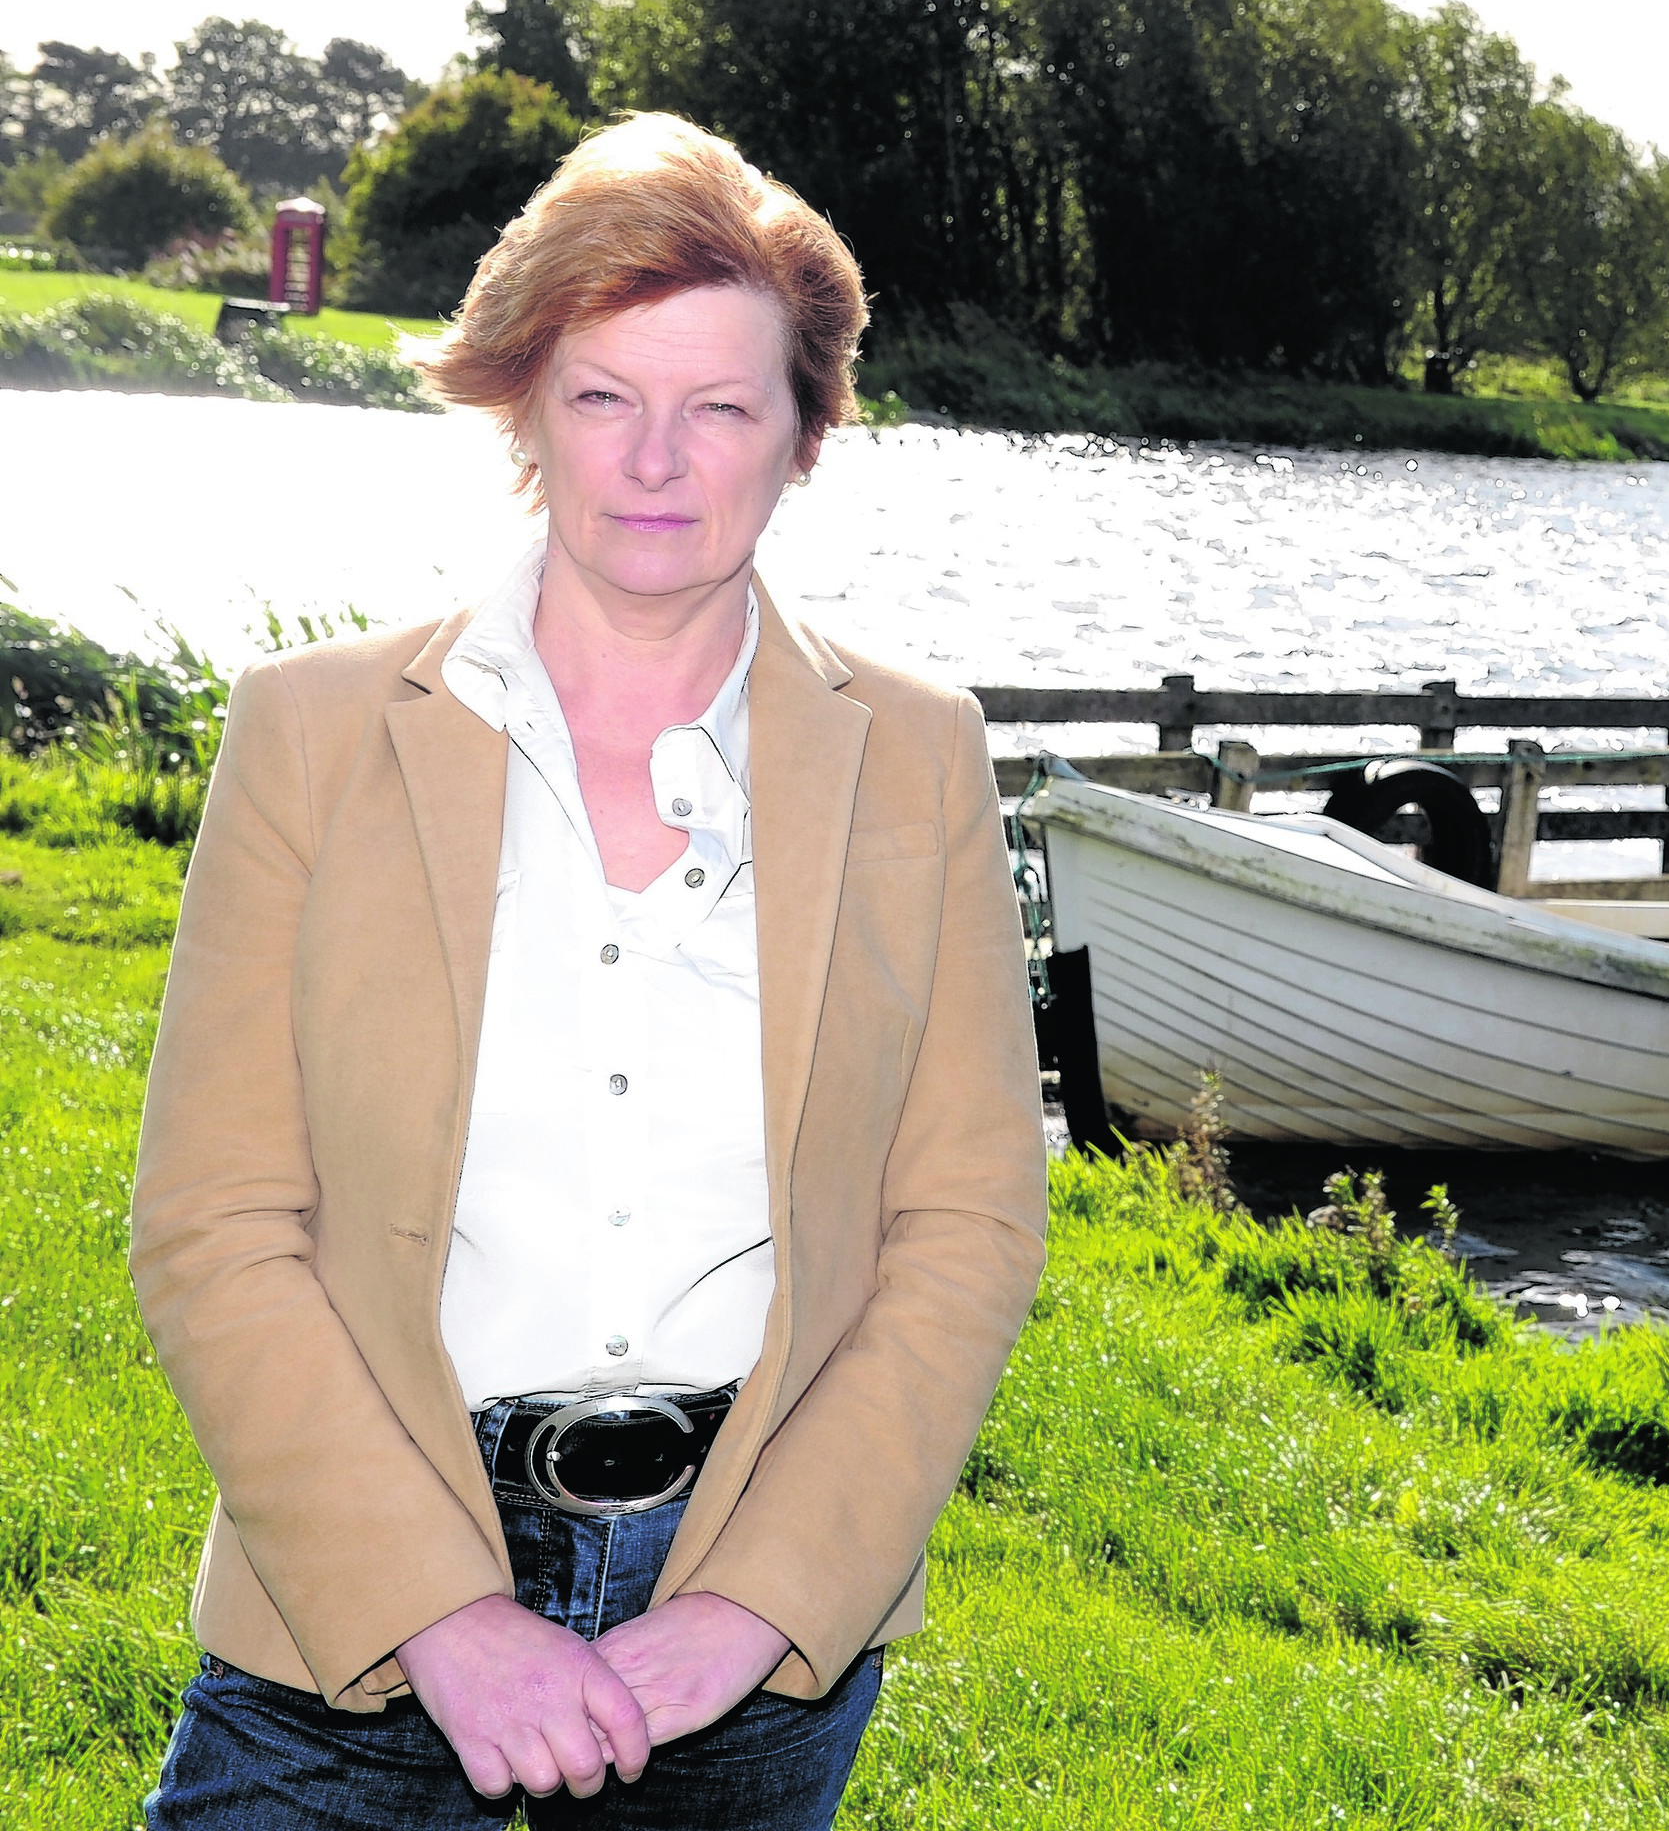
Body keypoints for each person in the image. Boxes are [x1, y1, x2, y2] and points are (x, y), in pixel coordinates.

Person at [129, 113, 1048, 1826]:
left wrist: (761, 1602)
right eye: (604, 396)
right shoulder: (313, 736)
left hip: (753, 1636)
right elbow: (214, 1220)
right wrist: (437, 1613)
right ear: (524, 413)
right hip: (354, 1624)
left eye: (719, 407)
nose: (655, 460)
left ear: (802, 439)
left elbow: (967, 1223)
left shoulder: (920, 753)